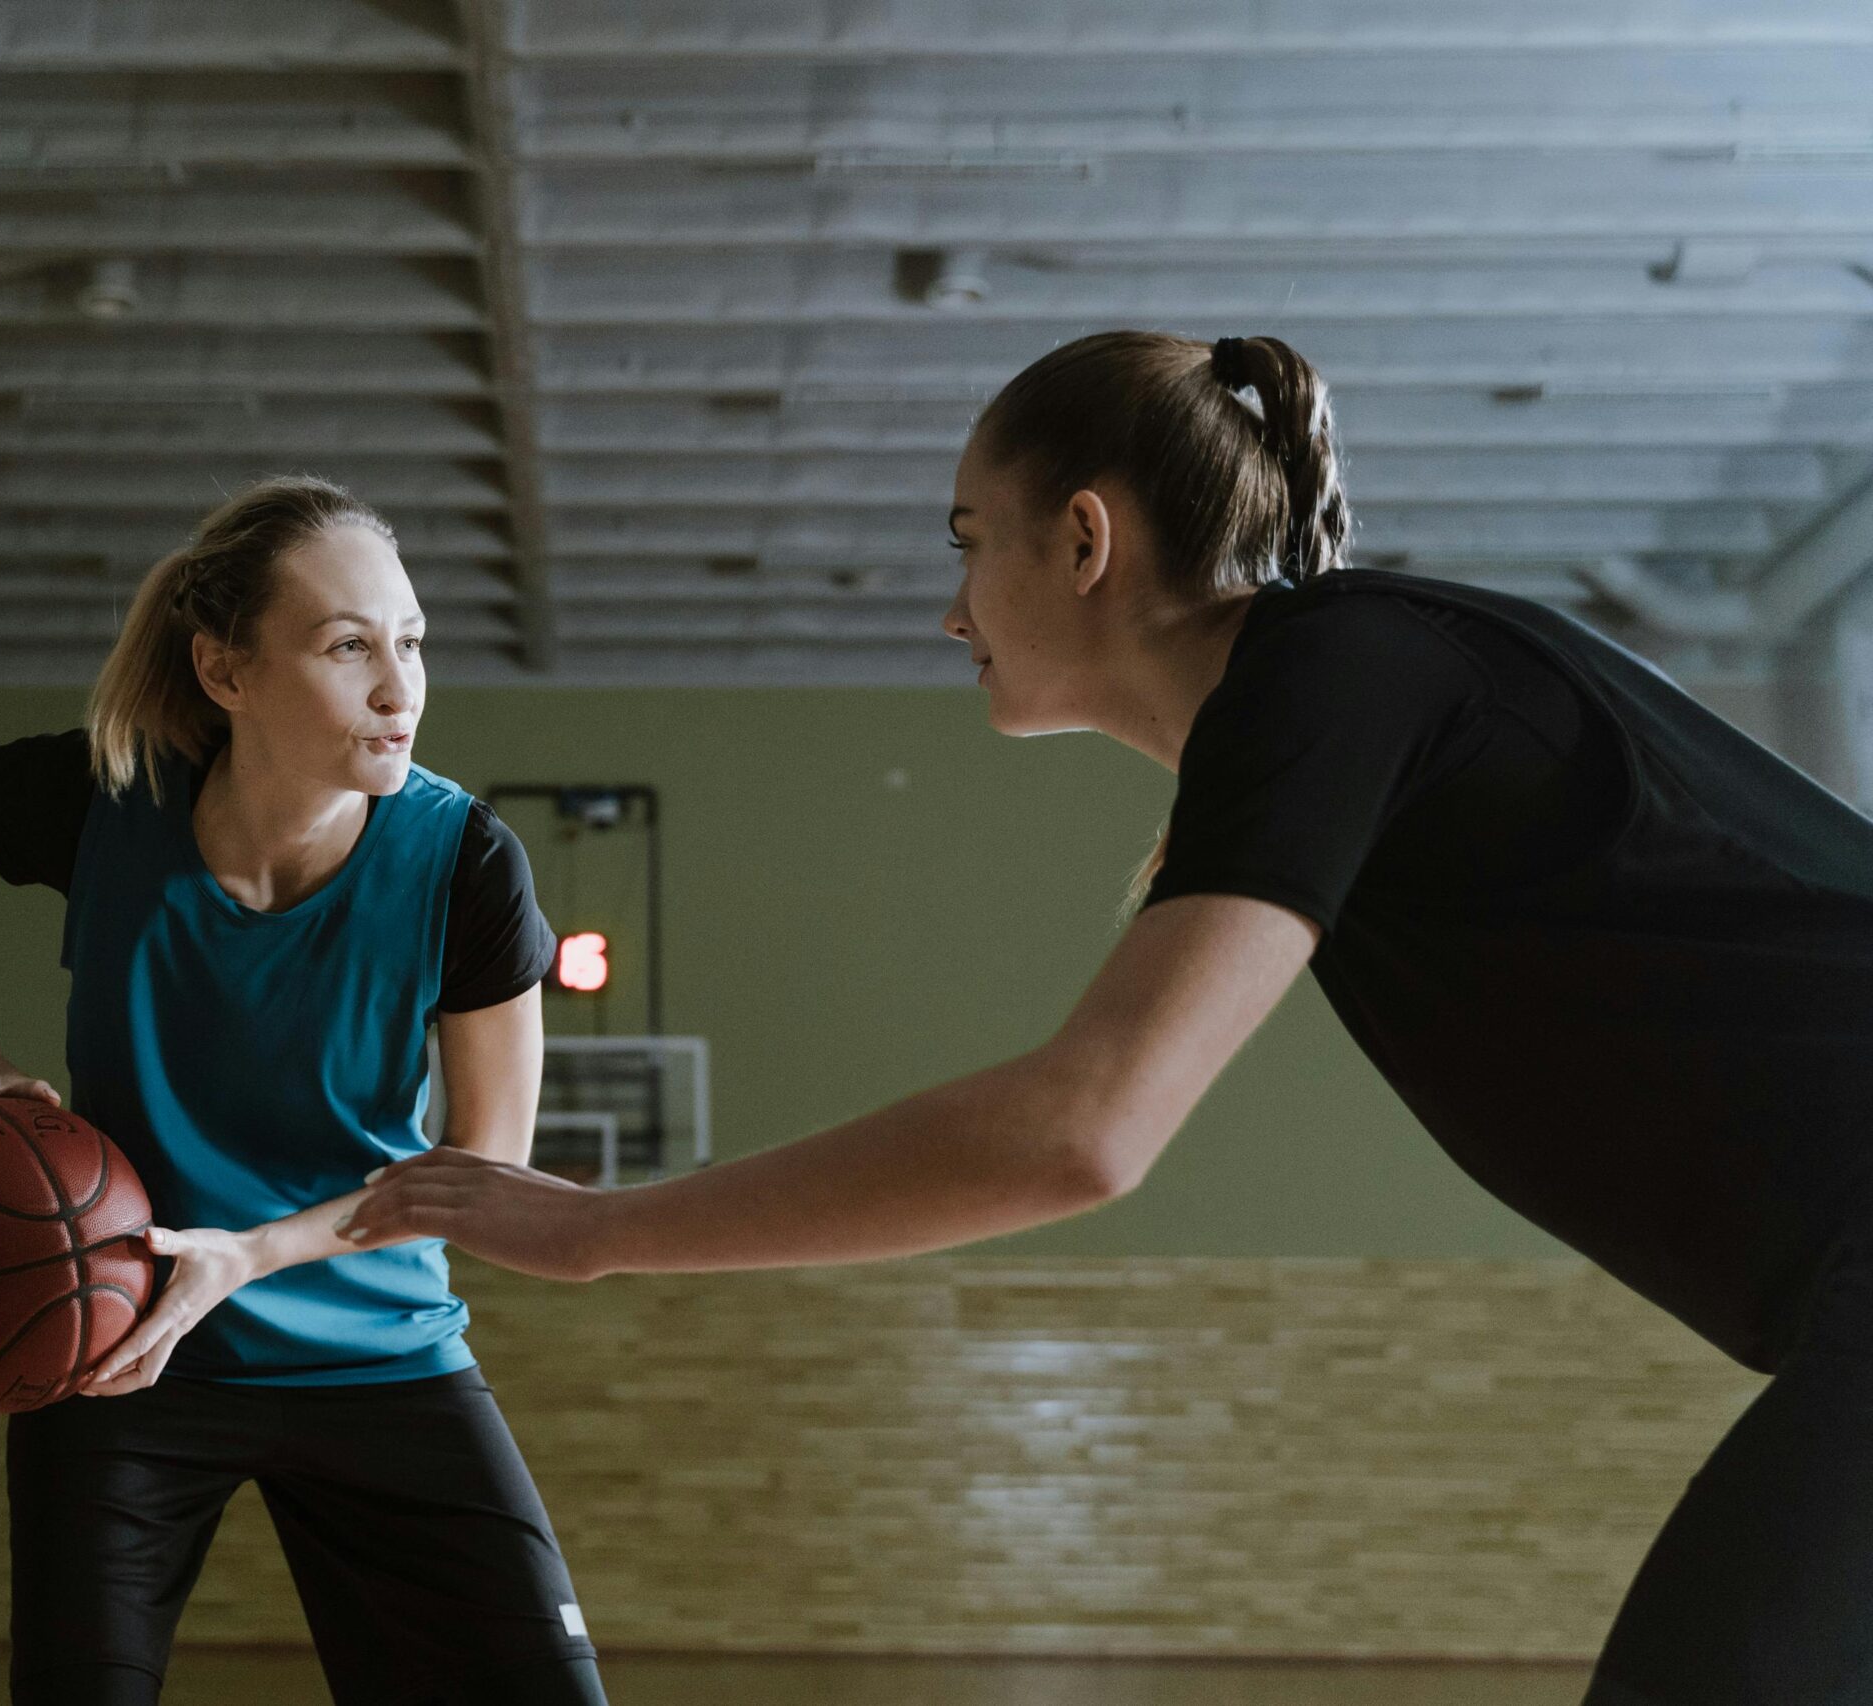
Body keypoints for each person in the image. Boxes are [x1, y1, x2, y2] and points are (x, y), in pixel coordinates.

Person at [342, 332, 1873, 1704]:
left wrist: (604, 1228)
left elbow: (1084, 1131)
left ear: (1084, 537)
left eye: (968, 544)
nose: (953, 610)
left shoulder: (1339, 667)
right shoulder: (1329, 712)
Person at [0, 476, 607, 1706]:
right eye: (347, 644)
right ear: (226, 673)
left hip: (380, 1354)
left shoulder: (463, 858)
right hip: (127, 1351)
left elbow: (486, 1170)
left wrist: (250, 1254)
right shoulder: (102, 799)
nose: (399, 687)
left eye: (410, 642)